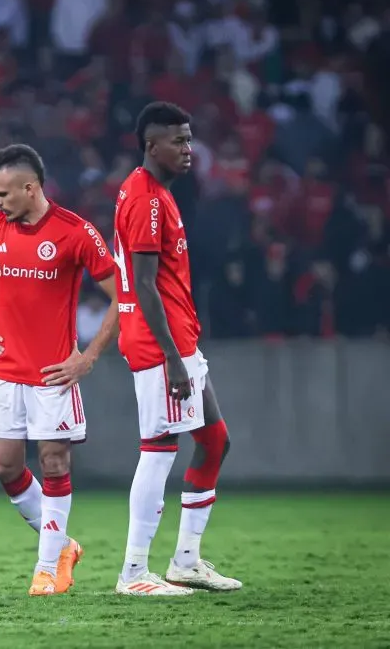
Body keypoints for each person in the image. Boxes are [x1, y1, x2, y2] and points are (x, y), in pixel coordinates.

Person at [0, 144, 119, 596]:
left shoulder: (76, 233)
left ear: (31, 188)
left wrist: (87, 357)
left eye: (4, 193)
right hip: (5, 372)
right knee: (3, 465)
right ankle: (64, 546)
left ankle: (47, 568)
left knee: (53, 460)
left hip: (53, 373)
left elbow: (122, 297)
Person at [111, 102, 241, 596]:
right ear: (151, 145)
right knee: (159, 449)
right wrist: (169, 354)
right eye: (179, 141)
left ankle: (185, 560)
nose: (189, 150)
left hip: (179, 339)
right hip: (159, 343)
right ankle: (134, 573)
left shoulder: (155, 193)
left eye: (189, 140)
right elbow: (144, 284)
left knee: (214, 440)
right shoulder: (145, 198)